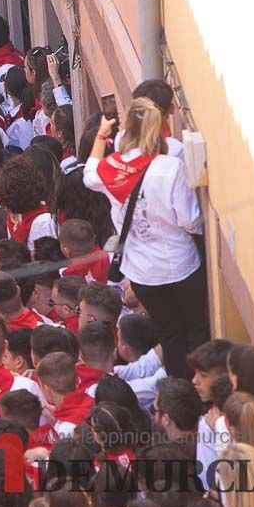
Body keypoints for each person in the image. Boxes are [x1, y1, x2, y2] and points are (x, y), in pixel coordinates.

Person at [84, 98, 207, 380]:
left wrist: (102, 134)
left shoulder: (112, 167)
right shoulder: (170, 167)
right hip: (179, 265)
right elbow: (190, 221)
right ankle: (203, 391)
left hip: (142, 273)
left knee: (170, 334)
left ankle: (181, 390)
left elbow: (89, 174)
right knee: (197, 328)